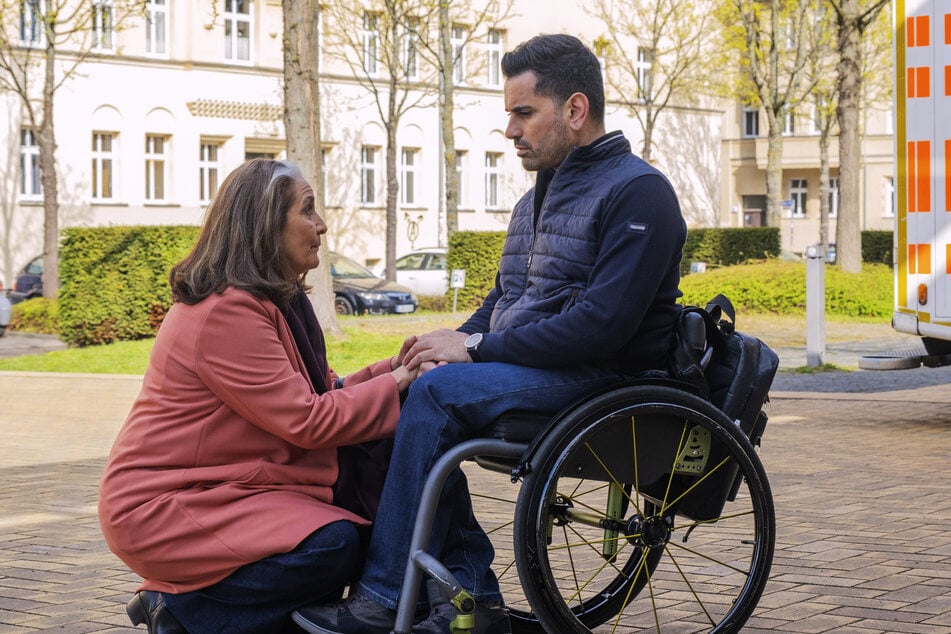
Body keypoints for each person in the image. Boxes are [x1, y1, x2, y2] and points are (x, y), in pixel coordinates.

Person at [294, 33, 687, 634]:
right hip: (540, 368)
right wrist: (449, 341)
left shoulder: (639, 193)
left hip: (606, 379)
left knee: (435, 396)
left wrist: (476, 349)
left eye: (524, 113)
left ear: (575, 110)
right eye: (510, 114)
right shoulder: (533, 202)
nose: (510, 130)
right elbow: (503, 301)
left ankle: (383, 595)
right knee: (414, 383)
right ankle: (470, 598)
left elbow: (603, 326)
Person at [98, 159, 416, 633]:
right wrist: (399, 383)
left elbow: (323, 390)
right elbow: (308, 419)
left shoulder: (271, 302)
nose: (321, 225)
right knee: (331, 545)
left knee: (340, 539)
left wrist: (393, 370)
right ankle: (179, 613)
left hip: (224, 489)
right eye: (307, 210)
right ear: (266, 224)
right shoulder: (226, 312)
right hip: (166, 506)